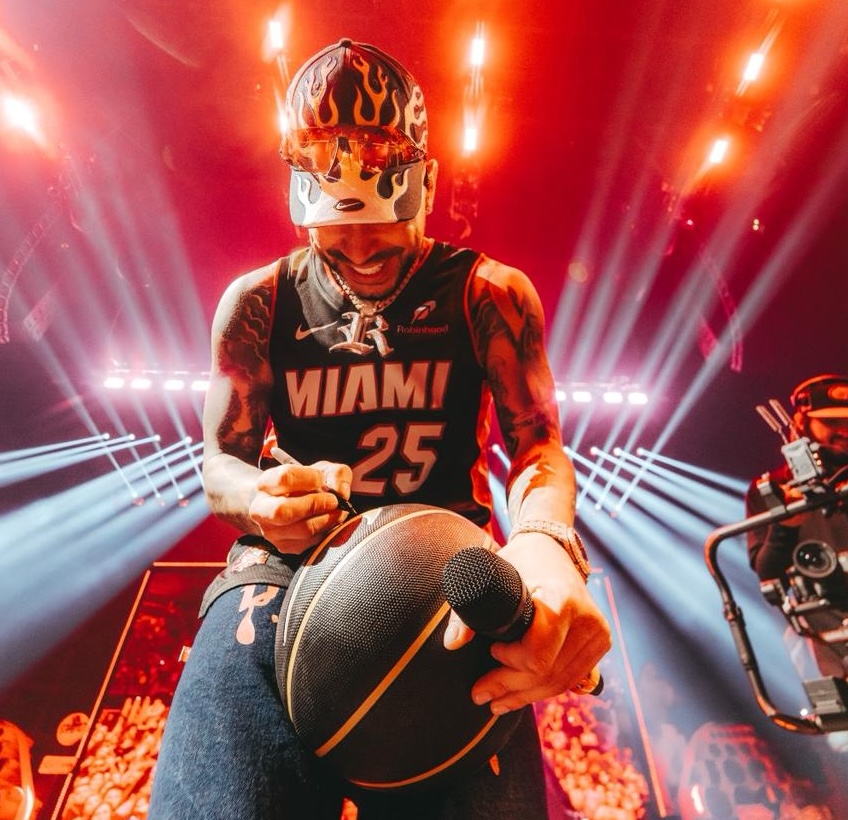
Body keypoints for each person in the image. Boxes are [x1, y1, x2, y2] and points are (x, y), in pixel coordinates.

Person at [147, 38, 611, 819]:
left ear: (424, 186)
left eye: (381, 234)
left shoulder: (487, 292)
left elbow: (537, 444)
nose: (360, 252)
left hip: (447, 581)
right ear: (300, 202)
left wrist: (542, 542)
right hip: (284, 572)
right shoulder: (258, 303)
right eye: (336, 235)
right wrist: (261, 501)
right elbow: (219, 462)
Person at [745, 373, 848, 682]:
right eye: (831, 423)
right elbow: (767, 573)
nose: (844, 430)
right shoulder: (772, 487)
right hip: (827, 634)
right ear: (802, 423)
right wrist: (786, 525)